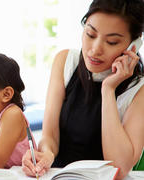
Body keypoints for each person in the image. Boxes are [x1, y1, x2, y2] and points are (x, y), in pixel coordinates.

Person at [22, 0, 144, 179]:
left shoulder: (138, 89)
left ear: (133, 45)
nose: (95, 50)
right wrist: (46, 154)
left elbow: (119, 168)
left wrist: (108, 90)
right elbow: (50, 136)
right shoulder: (65, 62)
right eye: (90, 34)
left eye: (111, 42)